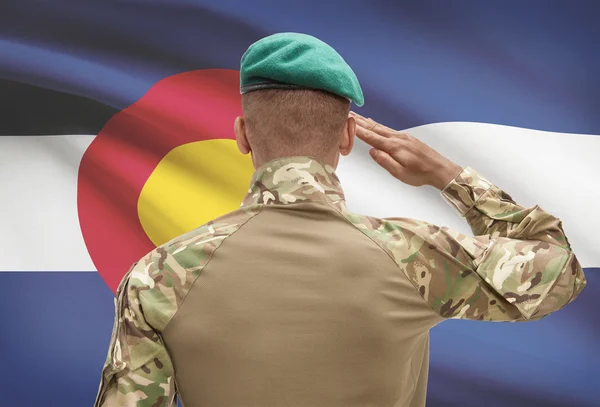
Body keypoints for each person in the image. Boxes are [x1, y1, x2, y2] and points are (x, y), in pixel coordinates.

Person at [94, 32, 587, 407]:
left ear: (243, 135)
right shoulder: (416, 255)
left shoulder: (157, 276)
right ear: (348, 136)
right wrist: (450, 176)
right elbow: (558, 268)